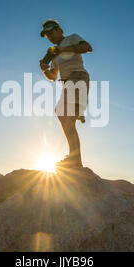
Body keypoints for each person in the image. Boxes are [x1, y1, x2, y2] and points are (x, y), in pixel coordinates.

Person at [39, 19, 93, 168]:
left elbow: (88, 47)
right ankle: (75, 159)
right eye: (46, 35)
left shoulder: (71, 38)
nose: (49, 36)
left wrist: (63, 50)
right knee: (63, 116)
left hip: (78, 76)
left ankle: (74, 159)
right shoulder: (53, 54)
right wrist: (44, 69)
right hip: (67, 83)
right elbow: (53, 76)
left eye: (51, 32)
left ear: (59, 29)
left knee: (65, 114)